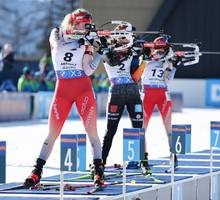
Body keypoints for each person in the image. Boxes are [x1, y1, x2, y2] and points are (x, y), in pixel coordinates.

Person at [24, 8, 103, 188]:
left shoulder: (86, 40)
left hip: (83, 89)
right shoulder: (57, 33)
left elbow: (88, 70)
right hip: (63, 91)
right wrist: (80, 40)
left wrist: (96, 50)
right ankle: (37, 170)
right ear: (75, 23)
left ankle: (98, 170)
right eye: (85, 25)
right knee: (52, 133)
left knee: (92, 132)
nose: (88, 28)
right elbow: (57, 47)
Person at [100, 24, 144, 170]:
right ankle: (100, 162)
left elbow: (136, 77)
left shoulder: (133, 52)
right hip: (116, 92)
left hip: (132, 91)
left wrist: (143, 58)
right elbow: (111, 60)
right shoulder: (108, 49)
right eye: (122, 37)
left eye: (127, 38)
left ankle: (139, 160)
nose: (125, 42)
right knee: (110, 130)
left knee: (137, 128)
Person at [132, 36, 179, 169]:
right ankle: (141, 158)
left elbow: (168, 80)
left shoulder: (166, 60)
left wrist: (172, 66)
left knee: (169, 127)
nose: (159, 53)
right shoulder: (145, 58)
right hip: (147, 94)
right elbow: (136, 76)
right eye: (157, 50)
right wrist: (145, 60)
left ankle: (174, 156)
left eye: (162, 51)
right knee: (142, 128)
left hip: (163, 94)